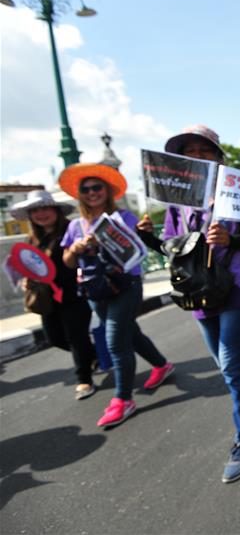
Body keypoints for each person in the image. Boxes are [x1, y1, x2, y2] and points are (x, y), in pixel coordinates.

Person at [136, 124, 240, 483]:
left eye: (205, 151)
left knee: (231, 365)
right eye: (188, 152)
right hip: (198, 290)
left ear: (219, 158)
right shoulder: (176, 203)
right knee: (226, 359)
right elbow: (173, 250)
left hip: (238, 284)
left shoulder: (238, 189)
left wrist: (232, 240)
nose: (197, 157)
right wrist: (147, 238)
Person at [58, 163, 174, 428]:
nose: (91, 193)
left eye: (97, 187)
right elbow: (66, 262)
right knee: (129, 333)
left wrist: (142, 231)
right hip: (93, 289)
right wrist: (75, 249)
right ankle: (162, 365)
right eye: (85, 189)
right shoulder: (76, 225)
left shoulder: (124, 218)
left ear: (107, 190)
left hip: (125, 285)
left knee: (115, 342)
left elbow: (141, 244)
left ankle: (123, 400)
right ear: (80, 194)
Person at [12, 190, 97, 400]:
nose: (41, 214)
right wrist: (26, 281)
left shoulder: (72, 229)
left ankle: (84, 379)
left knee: (76, 337)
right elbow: (29, 267)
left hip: (74, 294)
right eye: (35, 210)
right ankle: (93, 355)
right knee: (55, 338)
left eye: (45, 208)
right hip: (48, 299)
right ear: (30, 216)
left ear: (55, 210)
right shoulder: (32, 240)